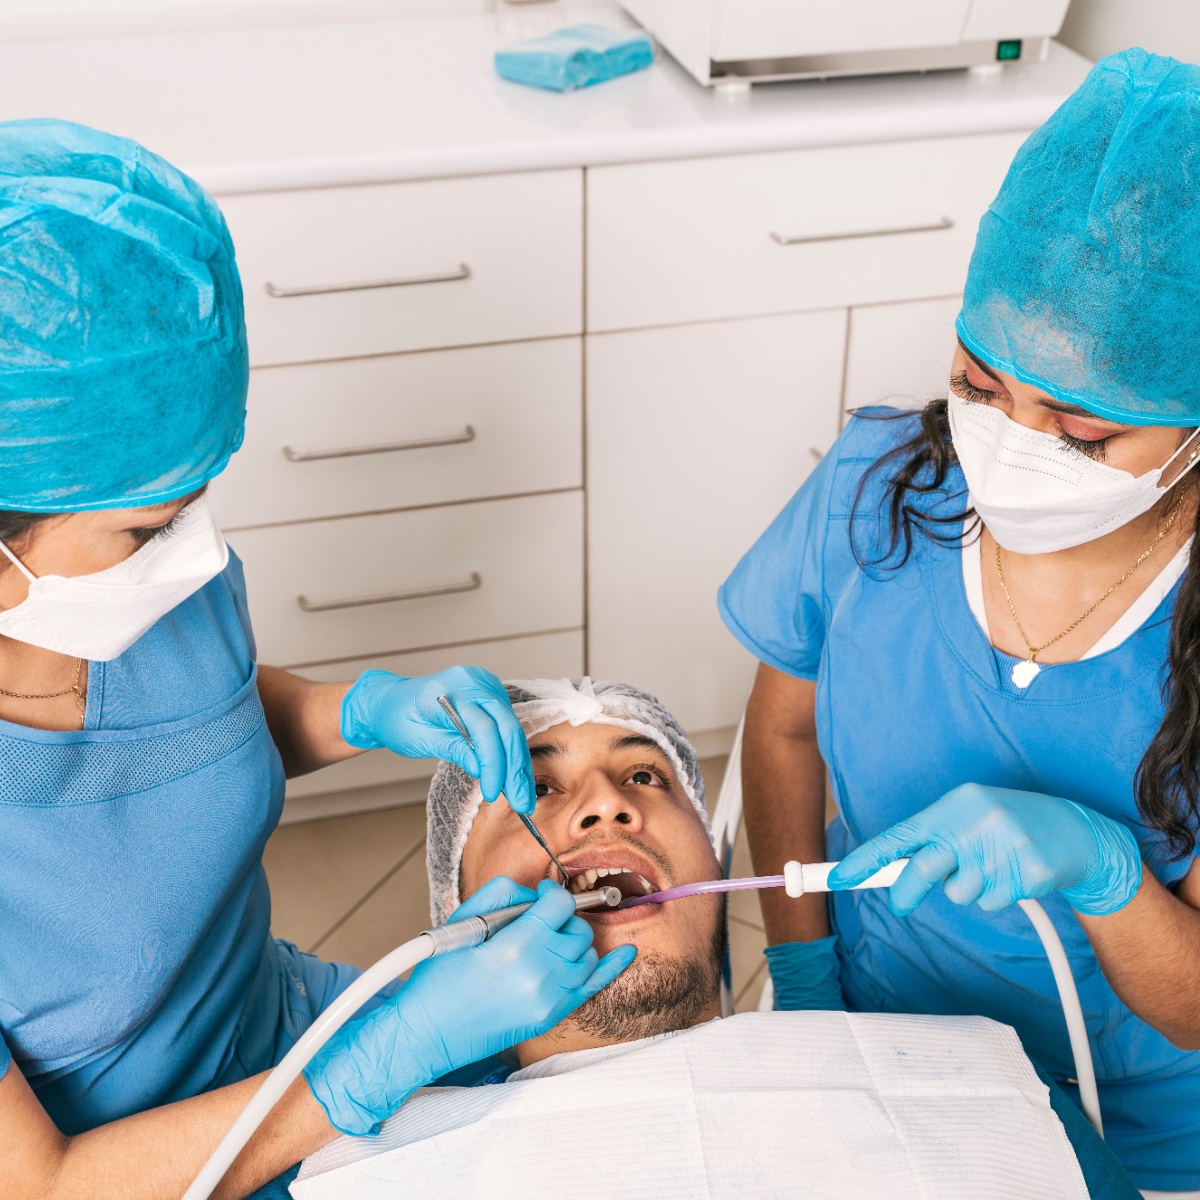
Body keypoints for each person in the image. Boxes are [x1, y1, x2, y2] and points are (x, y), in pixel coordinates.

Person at [0, 119, 631, 1200]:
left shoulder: (138, 593)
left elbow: (193, 722)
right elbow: (43, 1183)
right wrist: (364, 1071)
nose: (196, 558)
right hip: (149, 1166)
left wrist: (368, 711)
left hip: (289, 1028)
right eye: (149, 532)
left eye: (198, 504)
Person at [718, 48, 1200, 1197]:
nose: (1013, 444)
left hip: (1136, 1122)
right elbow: (783, 736)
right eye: (980, 386)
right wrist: (806, 977)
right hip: (881, 1040)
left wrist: (1104, 877)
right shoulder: (875, 492)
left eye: (1080, 435)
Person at [294, 678, 1139, 1200]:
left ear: (710, 859)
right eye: (537, 784)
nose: (605, 806)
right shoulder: (353, 1156)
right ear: (453, 907)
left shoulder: (994, 1092)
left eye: (643, 776)